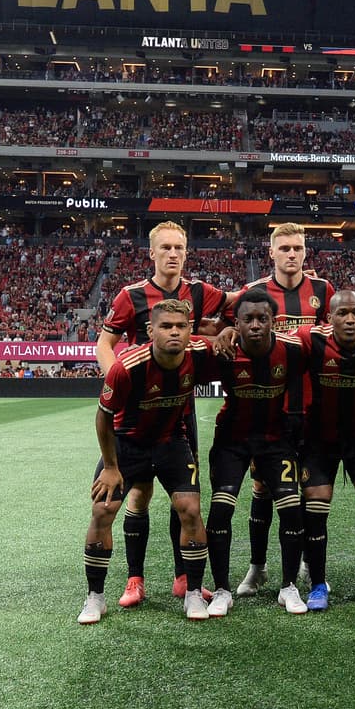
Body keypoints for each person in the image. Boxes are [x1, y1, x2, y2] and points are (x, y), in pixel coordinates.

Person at [97, 220, 229, 608]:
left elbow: (237, 303)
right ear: (151, 253)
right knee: (138, 493)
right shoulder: (131, 296)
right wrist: (118, 384)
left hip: (179, 402)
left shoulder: (201, 292)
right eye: (166, 248)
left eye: (179, 248)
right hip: (138, 409)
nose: (173, 254)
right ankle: (135, 579)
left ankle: (183, 578)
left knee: (183, 493)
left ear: (187, 253)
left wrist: (223, 328)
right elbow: (106, 343)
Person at [77, 299, 217, 624]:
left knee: (191, 509)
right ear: (150, 330)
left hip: (172, 442)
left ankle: (193, 592)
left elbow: (230, 347)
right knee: (102, 510)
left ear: (189, 330)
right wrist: (111, 467)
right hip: (127, 445)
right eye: (166, 326)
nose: (174, 332)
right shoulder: (126, 367)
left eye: (181, 326)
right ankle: (95, 597)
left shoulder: (199, 354)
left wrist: (224, 335)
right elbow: (103, 418)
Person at [230, 222, 335, 598]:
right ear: (271, 252)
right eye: (285, 247)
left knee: (306, 491)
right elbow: (229, 327)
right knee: (261, 488)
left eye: (298, 248)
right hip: (266, 411)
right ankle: (257, 567)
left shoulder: (323, 291)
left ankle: (306, 561)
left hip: (312, 409)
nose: (292, 254)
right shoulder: (253, 293)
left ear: (306, 252)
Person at [205, 287, 310, 616]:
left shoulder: (293, 350)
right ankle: (222, 590)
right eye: (247, 319)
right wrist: (220, 332)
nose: (255, 325)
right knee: (220, 512)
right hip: (231, 441)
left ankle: (288, 587)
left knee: (292, 510)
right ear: (236, 323)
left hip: (275, 439)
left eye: (262, 319)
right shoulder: (223, 351)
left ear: (273, 322)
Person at [295, 291, 355, 612]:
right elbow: (272, 340)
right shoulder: (311, 340)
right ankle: (318, 584)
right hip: (320, 441)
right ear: (329, 318)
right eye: (342, 314)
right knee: (316, 510)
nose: (349, 320)